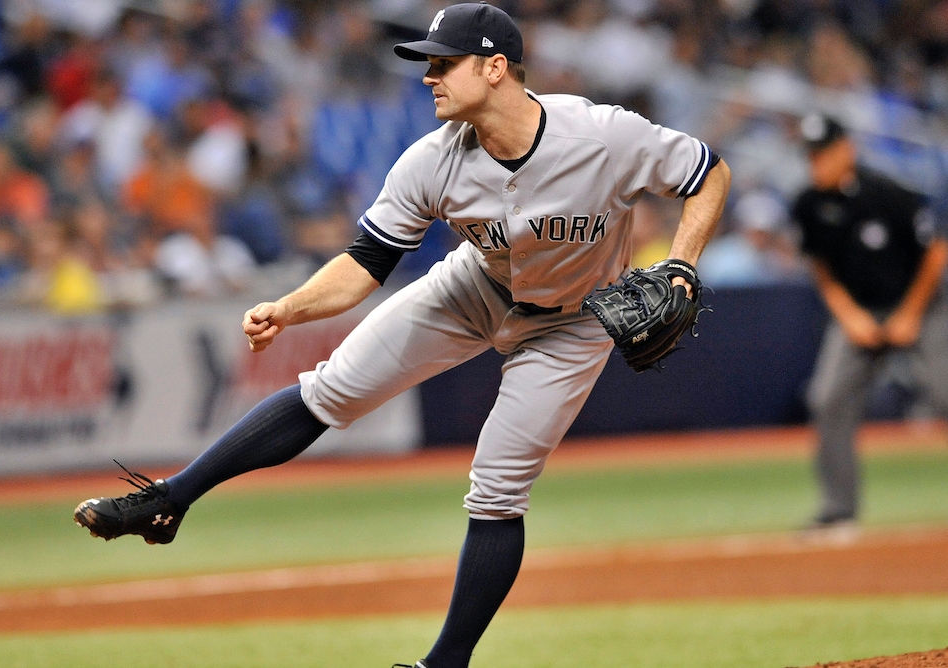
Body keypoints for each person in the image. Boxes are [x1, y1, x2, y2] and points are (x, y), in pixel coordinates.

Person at [73, 4, 730, 667]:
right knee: (331, 390)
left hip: (571, 321)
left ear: (495, 67)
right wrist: (291, 308)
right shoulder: (431, 161)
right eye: (428, 64)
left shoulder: (600, 135)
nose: (428, 77)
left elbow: (707, 173)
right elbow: (366, 263)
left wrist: (679, 265)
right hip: (472, 288)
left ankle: (444, 664)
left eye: (443, 64)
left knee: (498, 489)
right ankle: (169, 500)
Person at [791, 113, 948, 534]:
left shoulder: (889, 193)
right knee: (827, 399)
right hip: (860, 310)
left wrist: (909, 315)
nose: (816, 163)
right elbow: (821, 268)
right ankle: (839, 509)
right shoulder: (808, 203)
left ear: (846, 150)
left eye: (823, 153)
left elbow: (934, 254)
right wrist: (851, 317)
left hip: (922, 305)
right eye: (811, 155)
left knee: (945, 392)